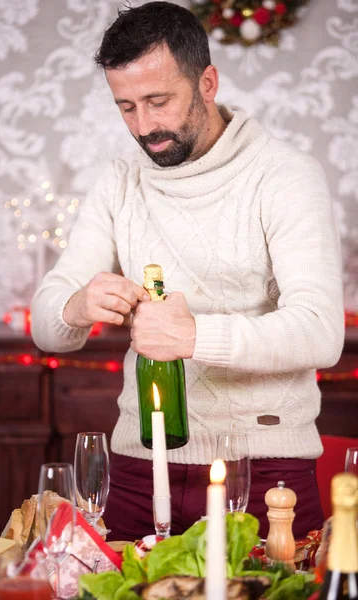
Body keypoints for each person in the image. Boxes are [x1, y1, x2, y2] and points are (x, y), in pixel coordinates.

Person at [31, 1, 344, 541]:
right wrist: (76, 305)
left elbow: (321, 331)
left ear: (207, 82)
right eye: (125, 107)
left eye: (158, 101)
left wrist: (194, 335)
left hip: (266, 468)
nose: (144, 126)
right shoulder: (120, 181)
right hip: (136, 462)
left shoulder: (287, 175)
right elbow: (45, 326)